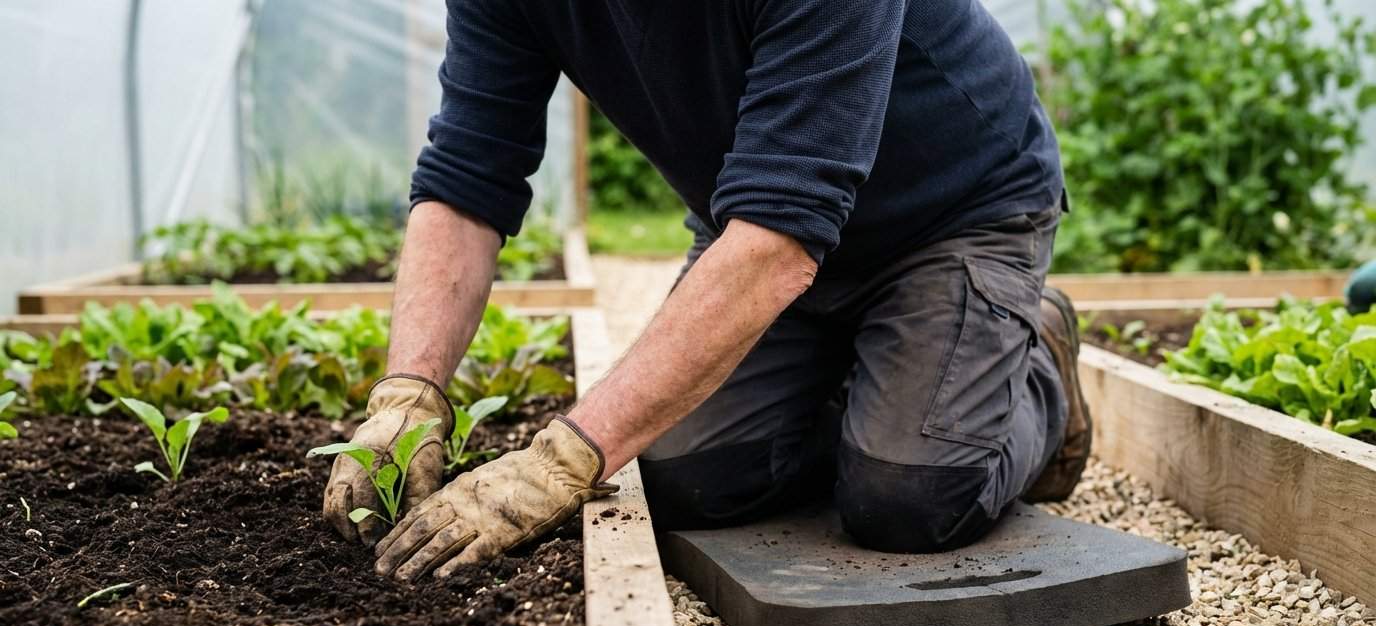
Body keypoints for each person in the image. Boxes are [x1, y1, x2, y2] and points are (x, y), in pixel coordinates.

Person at [322, 0, 1092, 581]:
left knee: (907, 498)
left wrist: (557, 461)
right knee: (688, 477)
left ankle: (1038, 372)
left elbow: (779, 238)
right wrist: (406, 398)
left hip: (951, 211)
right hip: (758, 224)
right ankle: (888, 381)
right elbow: (466, 178)